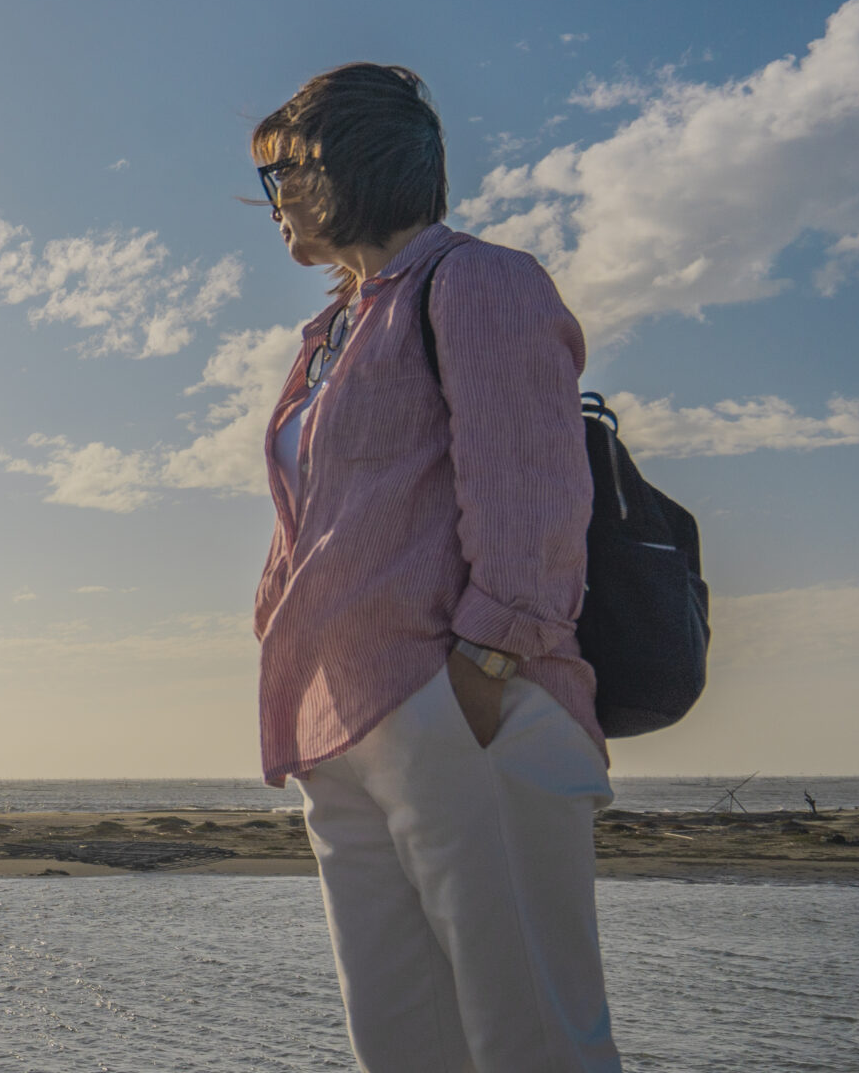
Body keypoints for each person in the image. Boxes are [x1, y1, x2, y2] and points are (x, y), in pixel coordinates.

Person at [250, 64, 618, 1072]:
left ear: (352, 168)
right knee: (403, 1048)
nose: (273, 202)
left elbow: (533, 495)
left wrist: (482, 673)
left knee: (535, 1043)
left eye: (289, 173)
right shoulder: (330, 333)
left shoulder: (480, 281)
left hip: (463, 709)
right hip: (344, 724)